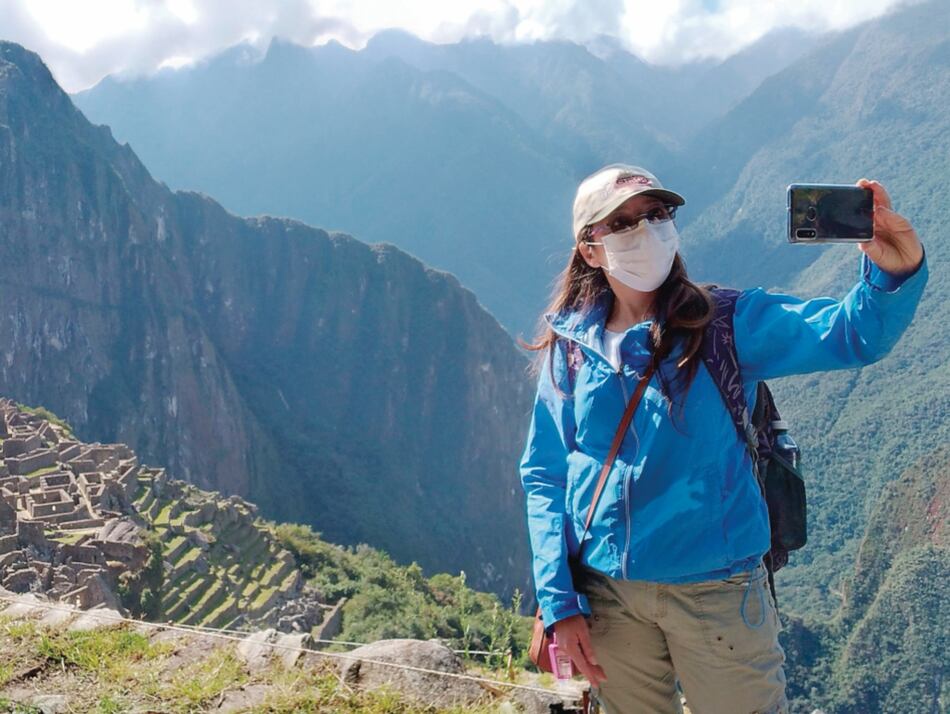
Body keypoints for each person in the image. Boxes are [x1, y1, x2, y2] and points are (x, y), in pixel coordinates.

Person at [518, 164, 927, 713]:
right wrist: (559, 600)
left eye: (656, 215)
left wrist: (892, 274)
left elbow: (851, 334)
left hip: (717, 592)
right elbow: (545, 473)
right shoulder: (571, 348)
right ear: (590, 249)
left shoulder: (726, 324)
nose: (646, 230)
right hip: (609, 596)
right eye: (623, 223)